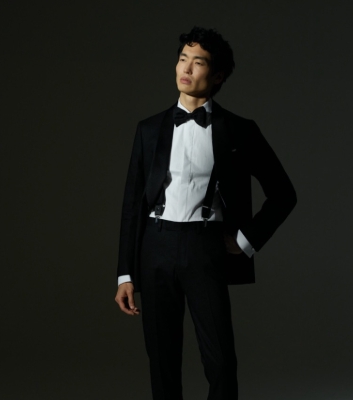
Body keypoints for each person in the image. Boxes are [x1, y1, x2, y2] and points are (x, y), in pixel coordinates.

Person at [115, 26, 297, 400]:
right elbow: (132, 206)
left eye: (198, 63)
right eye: (183, 58)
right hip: (155, 246)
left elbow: (283, 194)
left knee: (221, 361)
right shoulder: (148, 129)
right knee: (161, 359)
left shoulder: (240, 130)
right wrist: (125, 273)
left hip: (204, 247)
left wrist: (245, 241)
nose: (186, 68)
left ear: (217, 76)